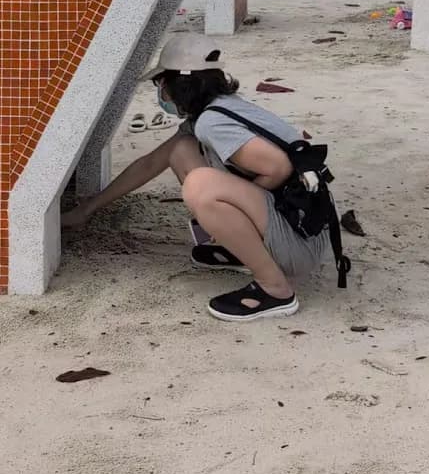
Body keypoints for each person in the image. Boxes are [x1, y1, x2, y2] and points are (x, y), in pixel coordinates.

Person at [61, 34, 343, 322]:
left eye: (161, 83)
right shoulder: (215, 110)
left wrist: (236, 209)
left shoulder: (213, 121)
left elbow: (278, 167)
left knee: (201, 187)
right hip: (301, 228)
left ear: (178, 84)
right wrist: (86, 209)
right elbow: (149, 164)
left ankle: (276, 290)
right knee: (181, 151)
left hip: (300, 242)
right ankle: (243, 248)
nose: (161, 92)